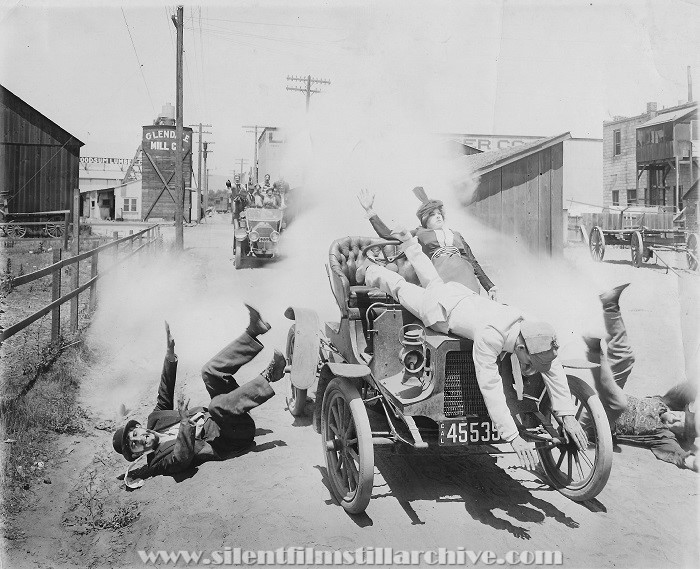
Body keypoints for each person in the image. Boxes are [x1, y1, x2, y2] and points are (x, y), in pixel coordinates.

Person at [356, 227, 587, 468]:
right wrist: (512, 437)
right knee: (402, 288)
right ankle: (371, 270)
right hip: (439, 310)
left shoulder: (529, 324)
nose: (530, 368)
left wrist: (566, 413)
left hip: (461, 295)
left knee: (432, 280)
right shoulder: (491, 336)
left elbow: (552, 365)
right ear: (520, 348)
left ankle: (408, 242)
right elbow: (491, 387)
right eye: (529, 363)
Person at [112, 305, 287, 486]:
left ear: (139, 426)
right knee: (215, 406)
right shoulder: (158, 462)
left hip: (230, 413)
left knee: (209, 372)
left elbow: (164, 390)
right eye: (135, 444)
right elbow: (181, 458)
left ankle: (253, 332)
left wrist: (170, 356)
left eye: (135, 434)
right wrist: (184, 422)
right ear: (137, 454)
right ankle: (269, 374)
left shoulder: (155, 420)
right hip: (231, 436)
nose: (140, 438)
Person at [584, 283, 698, 471]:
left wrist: (692, 462)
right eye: (679, 416)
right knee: (626, 359)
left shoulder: (662, 437)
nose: (674, 419)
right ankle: (610, 306)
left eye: (678, 425)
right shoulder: (665, 402)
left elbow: (679, 456)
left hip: (599, 422)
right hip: (602, 398)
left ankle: (594, 350)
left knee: (616, 401)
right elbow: (689, 388)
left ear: (679, 434)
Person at [358, 188, 498, 299]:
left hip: (467, 280)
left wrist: (489, 286)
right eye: (432, 214)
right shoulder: (419, 233)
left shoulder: (456, 235)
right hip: (443, 281)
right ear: (424, 219)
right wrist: (370, 211)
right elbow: (388, 235)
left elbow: (473, 262)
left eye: (439, 213)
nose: (437, 216)